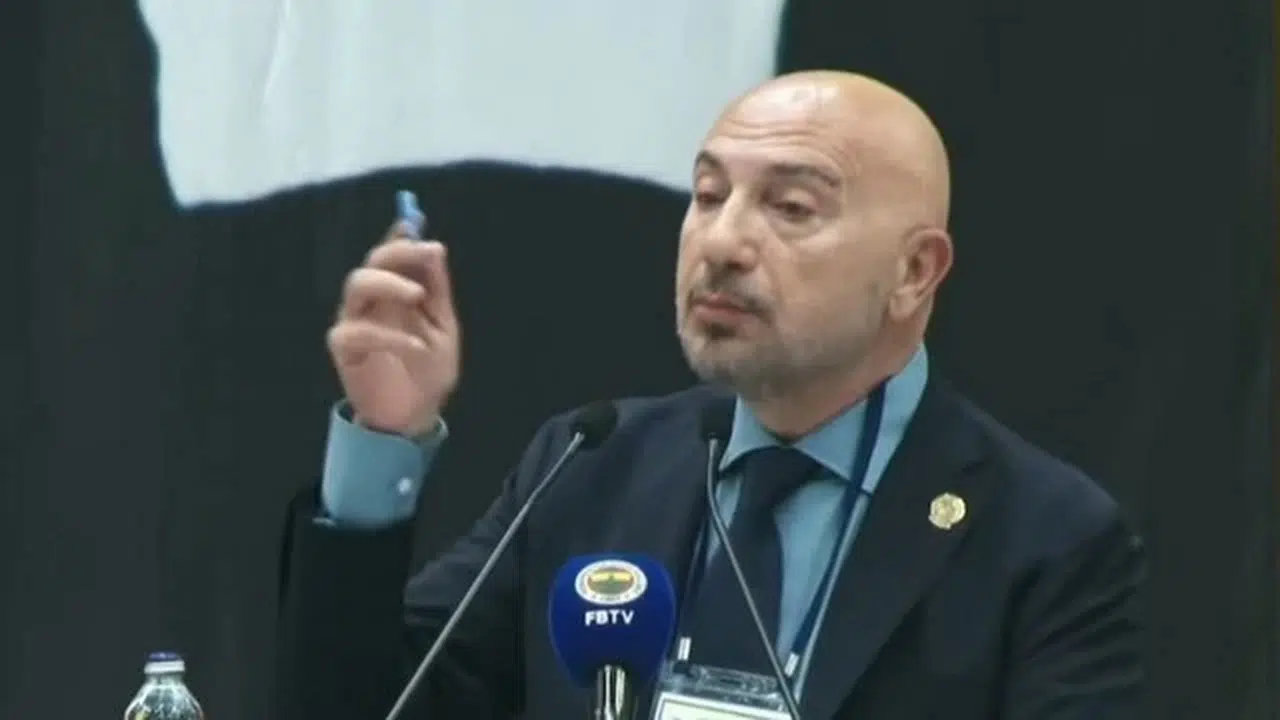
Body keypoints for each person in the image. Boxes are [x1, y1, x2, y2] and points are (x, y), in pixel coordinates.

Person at [276, 71, 1146, 720]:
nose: (722, 241)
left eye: (791, 207)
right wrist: (383, 442)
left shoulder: (1044, 537)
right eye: (707, 195)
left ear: (914, 271)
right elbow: (360, 709)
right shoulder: (590, 468)